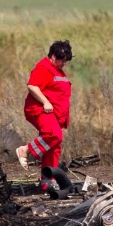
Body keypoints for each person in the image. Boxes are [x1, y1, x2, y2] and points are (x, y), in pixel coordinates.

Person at [16, 40, 73, 190]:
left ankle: (47, 181)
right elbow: (32, 86)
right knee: (54, 135)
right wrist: (45, 102)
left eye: (66, 60)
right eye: (62, 60)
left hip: (54, 114)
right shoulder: (44, 67)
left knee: (53, 146)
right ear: (53, 56)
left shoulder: (58, 71)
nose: (64, 63)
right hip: (40, 109)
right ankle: (25, 150)